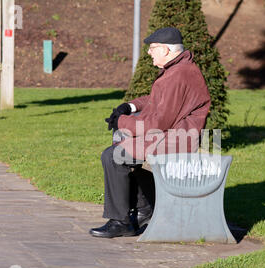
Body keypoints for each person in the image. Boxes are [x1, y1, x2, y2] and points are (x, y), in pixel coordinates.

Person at [89, 27, 211, 238]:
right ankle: (144, 212)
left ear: (165, 49)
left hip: (177, 140)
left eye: (153, 48)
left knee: (113, 155)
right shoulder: (177, 69)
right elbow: (156, 100)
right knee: (120, 143)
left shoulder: (179, 74)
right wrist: (129, 107)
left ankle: (121, 221)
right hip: (170, 136)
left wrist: (122, 121)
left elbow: (158, 122)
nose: (149, 52)